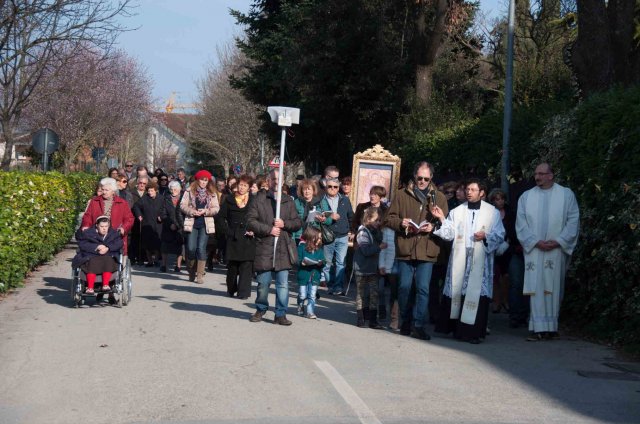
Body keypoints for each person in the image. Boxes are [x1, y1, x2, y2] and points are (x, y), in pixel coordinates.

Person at [431, 179, 505, 344]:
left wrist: (486, 236)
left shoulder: (492, 213)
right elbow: (449, 233)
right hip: (461, 260)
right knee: (459, 291)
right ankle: (458, 330)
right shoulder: (457, 211)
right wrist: (442, 218)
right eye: (467, 189)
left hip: (480, 260)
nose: (469, 192)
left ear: (482, 192)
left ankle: (473, 333)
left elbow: (500, 235)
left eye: (473, 189)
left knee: (477, 293)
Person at [385, 161, 449, 340]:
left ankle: (418, 324)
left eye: (426, 179)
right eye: (419, 178)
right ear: (414, 176)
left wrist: (433, 226)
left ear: (431, 178)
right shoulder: (401, 195)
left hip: (427, 249)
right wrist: (401, 223)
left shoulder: (439, 197)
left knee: (423, 289)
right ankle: (405, 321)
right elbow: (388, 219)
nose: (422, 181)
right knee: (404, 287)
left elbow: (445, 223)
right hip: (406, 247)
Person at [516, 163, 580, 341]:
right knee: (536, 287)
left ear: (551, 175)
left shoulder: (566, 195)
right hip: (535, 250)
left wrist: (559, 241)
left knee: (553, 286)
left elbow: (573, 220)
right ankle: (537, 327)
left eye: (542, 174)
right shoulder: (526, 197)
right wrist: (535, 242)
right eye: (536, 173)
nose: (537, 177)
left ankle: (552, 327)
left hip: (556, 249)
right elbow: (521, 224)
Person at [247, 169, 302, 325]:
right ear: (268, 181)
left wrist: (285, 224)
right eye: (273, 178)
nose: (276, 181)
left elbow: (297, 222)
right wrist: (268, 229)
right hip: (264, 246)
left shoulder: (288, 201)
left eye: (279, 178)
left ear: (283, 180)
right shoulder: (259, 199)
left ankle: (280, 313)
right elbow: (250, 220)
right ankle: (261, 308)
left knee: (283, 285)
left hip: (283, 248)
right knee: (263, 283)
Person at [218, 174, 256, 299]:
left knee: (246, 265)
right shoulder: (229, 199)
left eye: (245, 185)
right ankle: (231, 288)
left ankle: (243, 292)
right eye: (240, 185)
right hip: (233, 236)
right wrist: (228, 231)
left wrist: (254, 230)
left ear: (249, 187)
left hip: (248, 236)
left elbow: (258, 217)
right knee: (233, 266)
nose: (242, 188)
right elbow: (220, 218)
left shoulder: (253, 201)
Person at [180, 170, 220, 283]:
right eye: (202, 180)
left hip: (205, 224)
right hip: (192, 222)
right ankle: (191, 271)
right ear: (197, 180)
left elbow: (216, 208)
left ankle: (200, 274)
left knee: (201, 248)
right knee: (191, 248)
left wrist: (206, 211)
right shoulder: (189, 191)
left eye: (206, 180)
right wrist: (192, 211)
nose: (203, 182)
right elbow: (182, 205)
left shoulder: (212, 192)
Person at [354, 207, 387, 329]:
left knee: (374, 294)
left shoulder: (376, 231)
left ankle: (373, 320)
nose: (379, 223)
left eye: (380, 220)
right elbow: (366, 251)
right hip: (361, 268)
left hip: (372, 268)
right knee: (361, 294)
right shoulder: (363, 232)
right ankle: (360, 318)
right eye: (376, 220)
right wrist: (379, 247)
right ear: (368, 219)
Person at [73, 216, 123, 295]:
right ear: (97, 225)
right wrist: (97, 247)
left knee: (109, 260)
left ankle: (105, 285)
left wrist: (108, 248)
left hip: (108, 255)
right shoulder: (88, 233)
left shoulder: (114, 233)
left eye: (106, 226)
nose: (104, 228)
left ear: (109, 226)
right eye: (102, 226)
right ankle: (90, 287)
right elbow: (83, 244)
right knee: (92, 261)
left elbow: (119, 243)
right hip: (92, 255)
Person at [322, 176, 354, 295]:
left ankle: (338, 287)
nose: (332, 189)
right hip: (328, 235)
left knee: (341, 262)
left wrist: (353, 230)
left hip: (342, 235)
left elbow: (351, 216)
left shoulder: (344, 200)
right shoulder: (321, 201)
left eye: (335, 187)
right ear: (326, 187)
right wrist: (329, 218)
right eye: (330, 186)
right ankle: (330, 285)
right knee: (327, 263)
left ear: (338, 188)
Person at [488, 188, 512, 313]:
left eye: (502, 198)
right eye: (497, 199)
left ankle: (505, 300)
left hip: (507, 247)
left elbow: (513, 228)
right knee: (495, 276)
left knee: (506, 276)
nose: (500, 201)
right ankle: (496, 301)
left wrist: (508, 242)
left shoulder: (510, 212)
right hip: (494, 248)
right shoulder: (490, 213)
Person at [133, 182, 164, 267]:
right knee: (147, 243)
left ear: (156, 191)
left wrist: (161, 216)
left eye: (151, 191)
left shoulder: (161, 198)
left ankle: (156, 260)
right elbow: (136, 206)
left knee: (157, 242)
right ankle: (150, 261)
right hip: (146, 222)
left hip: (158, 224)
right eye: (148, 191)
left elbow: (164, 209)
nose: (150, 192)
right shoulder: (144, 198)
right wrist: (139, 215)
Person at [296, 226, 325, 319]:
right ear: (312, 237)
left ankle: (310, 312)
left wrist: (321, 263)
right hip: (303, 274)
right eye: (318, 237)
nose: (320, 239)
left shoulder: (320, 249)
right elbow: (297, 260)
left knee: (312, 295)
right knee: (302, 294)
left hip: (315, 275)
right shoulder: (301, 247)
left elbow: (323, 261)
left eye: (321, 238)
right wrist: (302, 262)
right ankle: (300, 305)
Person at [293, 178, 332, 244]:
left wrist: (324, 220)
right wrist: (293, 239)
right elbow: (293, 221)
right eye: (305, 189)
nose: (307, 191)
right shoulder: (296, 203)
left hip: (316, 237)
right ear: (301, 191)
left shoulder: (321, 202)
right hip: (300, 236)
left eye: (309, 189)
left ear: (313, 190)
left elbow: (329, 220)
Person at [160, 181, 184, 273]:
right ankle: (164, 265)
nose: (173, 191)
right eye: (171, 189)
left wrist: (178, 225)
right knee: (165, 246)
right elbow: (163, 213)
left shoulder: (183, 198)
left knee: (180, 246)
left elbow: (184, 213)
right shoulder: (166, 199)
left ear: (179, 189)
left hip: (180, 225)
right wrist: (170, 224)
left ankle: (178, 266)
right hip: (168, 225)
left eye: (175, 189)